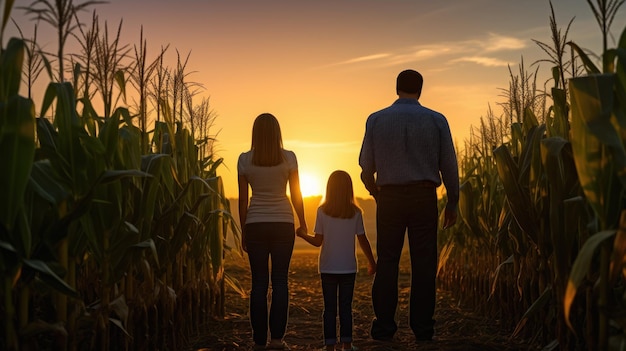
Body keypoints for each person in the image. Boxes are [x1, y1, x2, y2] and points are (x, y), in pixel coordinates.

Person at [358, 69, 459, 342]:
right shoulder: (437, 120)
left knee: (388, 261)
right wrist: (453, 201)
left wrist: (375, 191)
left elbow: (366, 166)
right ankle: (423, 329)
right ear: (421, 90)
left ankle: (384, 328)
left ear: (396, 88)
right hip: (423, 197)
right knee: (424, 264)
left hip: (389, 197)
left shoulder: (376, 120)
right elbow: (449, 165)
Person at [238, 113, 308, 350]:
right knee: (280, 282)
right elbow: (296, 194)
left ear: (255, 133)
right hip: (282, 223)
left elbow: (243, 200)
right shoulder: (289, 158)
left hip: (255, 224)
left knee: (258, 284)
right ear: (277, 133)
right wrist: (303, 221)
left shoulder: (245, 160)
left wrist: (243, 230)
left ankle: (259, 342)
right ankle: (277, 341)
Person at [297, 170, 376, 351]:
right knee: (346, 308)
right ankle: (347, 344)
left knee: (330, 309)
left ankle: (330, 346)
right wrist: (372, 261)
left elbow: (317, 242)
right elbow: (363, 239)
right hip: (348, 268)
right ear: (349, 189)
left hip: (328, 268)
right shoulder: (356, 212)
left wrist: (302, 234)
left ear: (329, 189)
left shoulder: (322, 212)